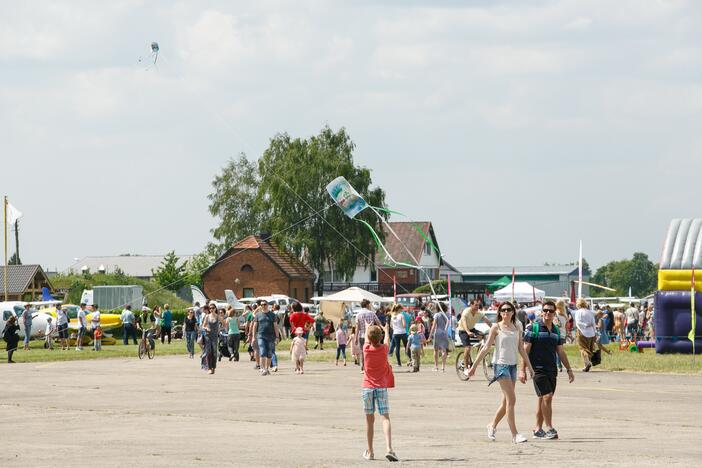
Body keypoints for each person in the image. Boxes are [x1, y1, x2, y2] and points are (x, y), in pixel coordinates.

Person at [468, 301, 534, 444]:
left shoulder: (517, 326)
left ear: (512, 312)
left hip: (512, 366)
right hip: (501, 365)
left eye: (508, 310)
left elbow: (521, 348)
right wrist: (473, 367)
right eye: (503, 310)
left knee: (506, 403)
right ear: (500, 313)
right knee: (512, 400)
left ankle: (492, 425)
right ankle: (515, 434)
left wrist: (529, 367)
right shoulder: (496, 327)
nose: (505, 312)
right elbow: (485, 348)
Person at [522, 300, 574, 440]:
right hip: (537, 369)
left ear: (554, 313)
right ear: (541, 312)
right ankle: (550, 428)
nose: (547, 313)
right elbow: (525, 350)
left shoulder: (556, 330)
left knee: (542, 399)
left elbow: (561, 352)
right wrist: (522, 370)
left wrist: (569, 369)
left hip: (551, 369)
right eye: (545, 310)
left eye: (551, 311)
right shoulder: (534, 328)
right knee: (547, 396)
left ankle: (538, 429)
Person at [361, 323, 398, 462]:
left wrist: (367, 327)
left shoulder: (366, 349)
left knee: (369, 421)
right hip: (381, 387)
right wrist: (386, 330)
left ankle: (370, 452)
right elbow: (387, 339)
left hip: (367, 387)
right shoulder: (384, 349)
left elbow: (366, 338)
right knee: (385, 418)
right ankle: (389, 448)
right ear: (380, 337)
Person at [459, 300, 493, 376]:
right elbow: (463, 321)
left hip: (471, 329)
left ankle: (478, 353)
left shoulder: (479, 313)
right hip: (463, 330)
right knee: (467, 348)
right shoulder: (466, 311)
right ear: (471, 305)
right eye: (475, 305)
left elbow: (487, 321)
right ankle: (465, 368)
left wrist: (495, 329)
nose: (477, 307)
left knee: (483, 336)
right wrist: (467, 331)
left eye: (478, 305)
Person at [252, 300, 280, 376]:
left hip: (271, 336)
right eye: (261, 305)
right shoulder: (258, 315)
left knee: (269, 353)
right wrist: (253, 337)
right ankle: (263, 368)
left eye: (264, 304)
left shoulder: (272, 315)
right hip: (261, 336)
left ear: (267, 305)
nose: (263, 306)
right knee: (263, 351)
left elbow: (275, 326)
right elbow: (254, 326)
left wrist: (277, 337)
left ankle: (267, 368)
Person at [355, 299, 382, 371]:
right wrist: (382, 330)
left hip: (362, 336)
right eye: (369, 304)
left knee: (363, 351)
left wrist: (355, 337)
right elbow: (378, 323)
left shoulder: (358, 314)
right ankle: (371, 366)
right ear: (367, 305)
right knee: (373, 351)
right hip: (371, 335)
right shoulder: (372, 313)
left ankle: (363, 367)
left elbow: (357, 327)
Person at [573, 298, 597, 372]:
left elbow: (578, 322)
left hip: (582, 332)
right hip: (591, 333)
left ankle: (587, 363)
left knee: (583, 348)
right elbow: (593, 323)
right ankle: (586, 365)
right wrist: (595, 332)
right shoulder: (590, 312)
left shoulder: (578, 312)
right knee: (590, 349)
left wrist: (585, 325)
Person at [429, 302, 450, 372]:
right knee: (444, 350)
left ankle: (436, 366)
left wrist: (430, 336)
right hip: (444, 333)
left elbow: (434, 326)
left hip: (437, 332)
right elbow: (448, 323)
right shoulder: (447, 315)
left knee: (436, 350)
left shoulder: (437, 315)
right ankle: (443, 367)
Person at [203, 304, 220, 374]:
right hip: (208, 336)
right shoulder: (207, 316)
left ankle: (213, 367)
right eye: (210, 308)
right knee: (208, 352)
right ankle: (209, 368)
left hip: (215, 336)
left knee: (214, 352)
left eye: (213, 308)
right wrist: (206, 328)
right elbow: (203, 326)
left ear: (215, 309)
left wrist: (219, 330)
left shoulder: (218, 317)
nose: (211, 309)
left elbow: (225, 324)